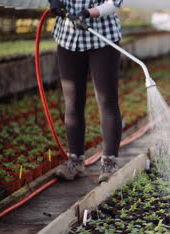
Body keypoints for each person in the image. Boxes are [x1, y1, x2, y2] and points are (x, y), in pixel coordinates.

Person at [49, 0, 124, 183]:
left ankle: (109, 162)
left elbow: (114, 3)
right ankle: (75, 160)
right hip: (68, 38)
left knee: (107, 101)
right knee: (73, 102)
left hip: (102, 38)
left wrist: (88, 13)